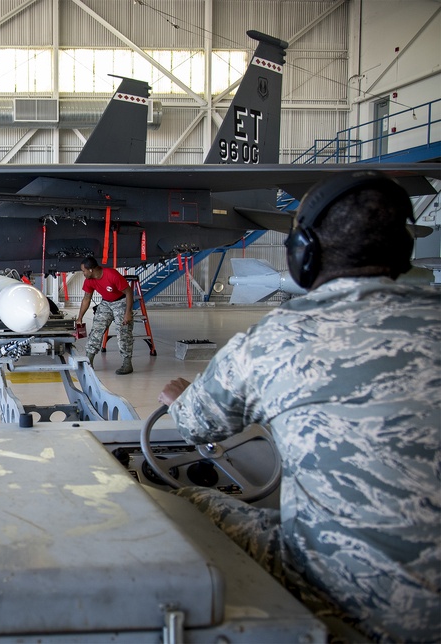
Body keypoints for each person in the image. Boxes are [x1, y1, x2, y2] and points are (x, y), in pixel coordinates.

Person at [157, 170, 440, 642]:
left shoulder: (275, 338)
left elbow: (195, 424)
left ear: (303, 253)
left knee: (187, 500)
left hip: (367, 603)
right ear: (403, 251)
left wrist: (182, 397)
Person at [76, 256, 135, 374]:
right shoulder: (89, 280)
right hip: (106, 303)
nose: (83, 273)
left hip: (121, 301)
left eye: (84, 271)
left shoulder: (111, 275)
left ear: (91, 270)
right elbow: (87, 298)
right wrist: (80, 317)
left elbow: (128, 292)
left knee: (123, 332)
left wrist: (127, 313)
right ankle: (89, 361)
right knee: (96, 329)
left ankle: (127, 364)